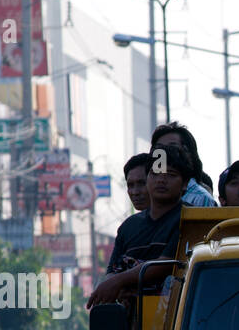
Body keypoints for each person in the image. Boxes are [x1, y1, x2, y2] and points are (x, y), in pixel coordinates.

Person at [87, 144, 191, 308]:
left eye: (170, 174)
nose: (161, 180)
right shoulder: (128, 227)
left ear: (185, 183)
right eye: (155, 174)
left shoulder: (190, 218)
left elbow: (163, 266)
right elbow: (112, 271)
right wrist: (112, 284)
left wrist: (119, 282)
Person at [150, 121, 217, 206]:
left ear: (189, 153)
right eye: (159, 148)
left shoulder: (199, 197)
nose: (165, 153)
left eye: (172, 147)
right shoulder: (152, 191)